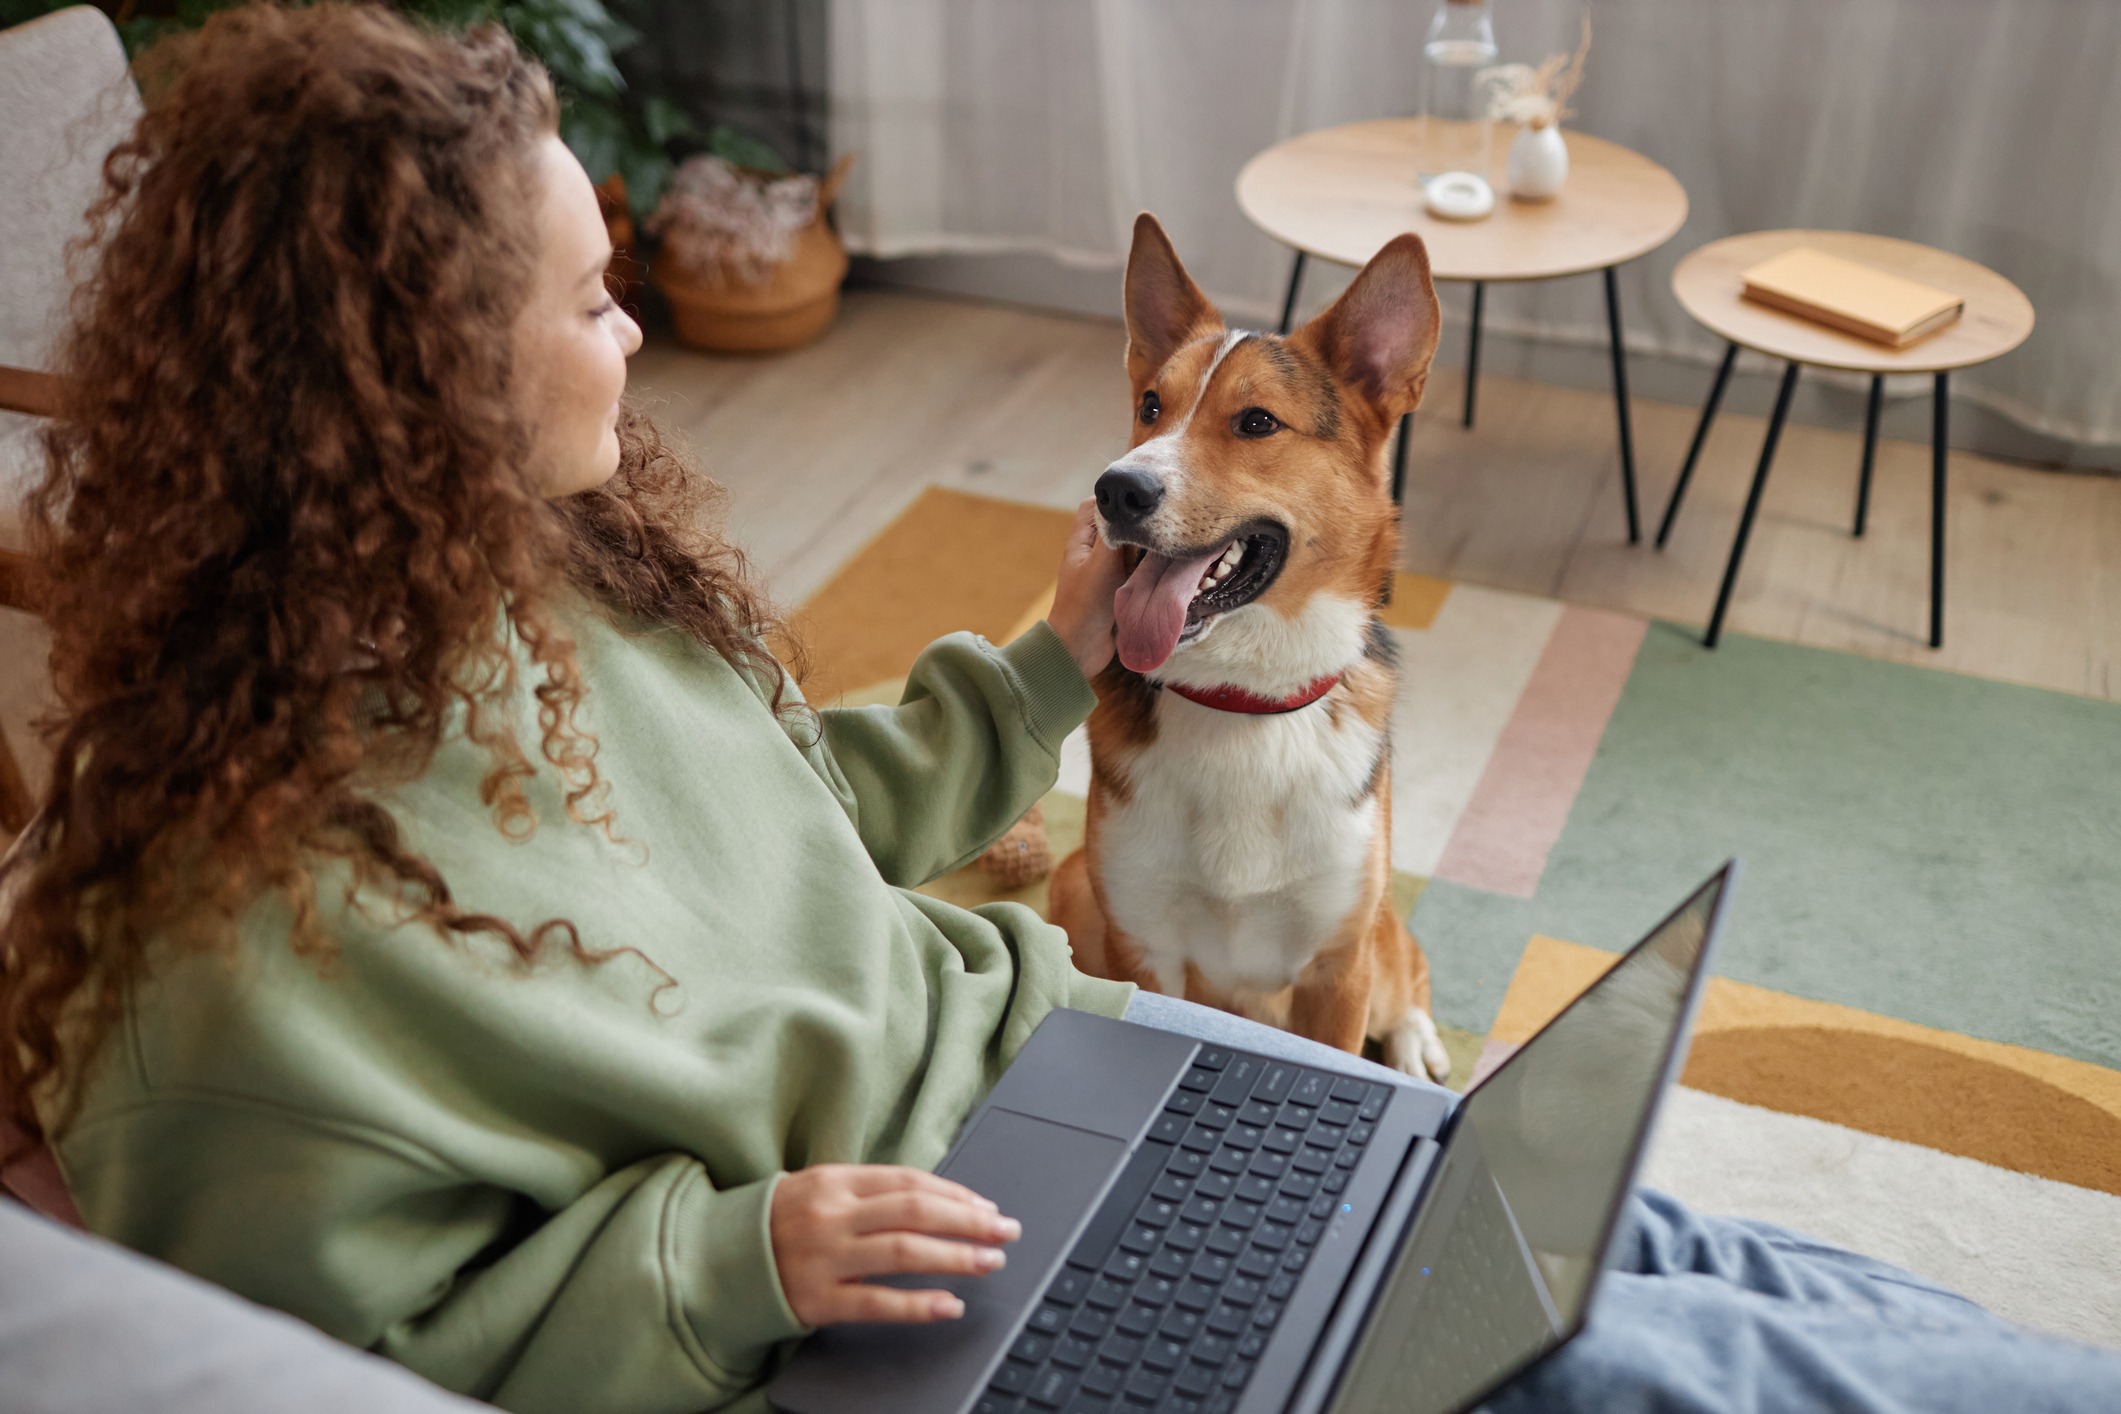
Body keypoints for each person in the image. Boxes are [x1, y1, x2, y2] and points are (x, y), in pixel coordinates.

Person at [0, 7, 2113, 1414]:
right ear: (411, 372)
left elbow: (780, 811)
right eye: (584, 295)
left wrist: (1049, 660)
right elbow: (367, 1343)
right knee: (1669, 1371)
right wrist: (732, 1252)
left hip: (1061, 1066)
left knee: (1640, 1222)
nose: (636, 320)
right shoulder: (228, 952)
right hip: (922, 1298)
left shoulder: (548, 581)